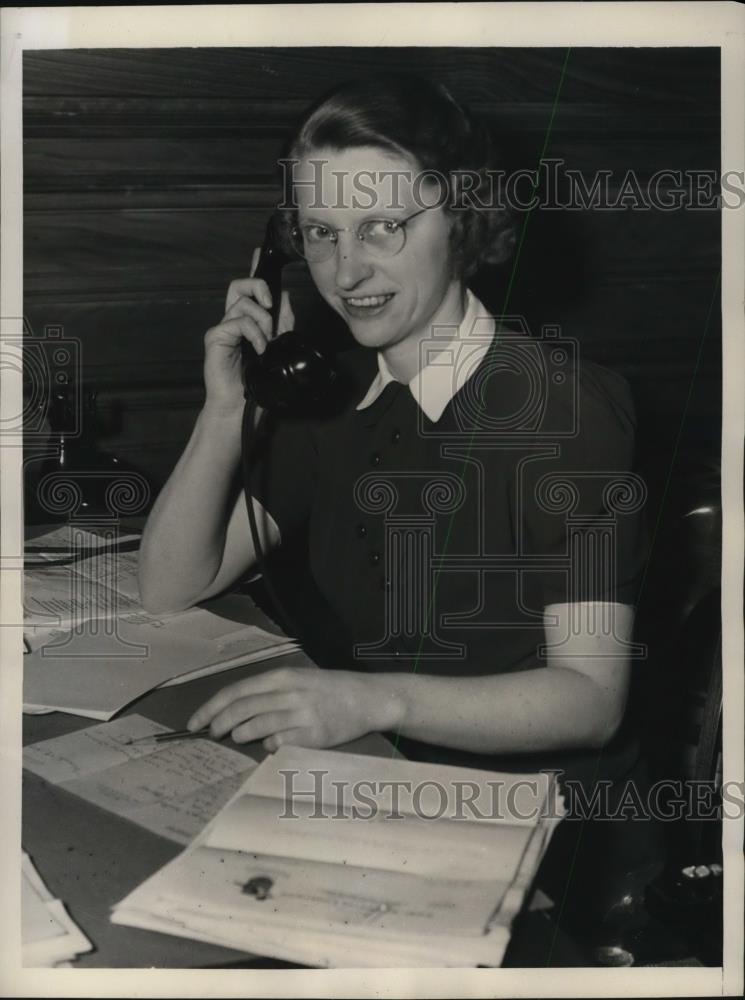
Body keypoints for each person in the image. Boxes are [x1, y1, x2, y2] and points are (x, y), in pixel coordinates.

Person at [139, 75, 658, 928]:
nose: (347, 271)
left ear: (462, 219)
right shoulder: (336, 394)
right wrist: (228, 406)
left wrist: (371, 699)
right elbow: (170, 583)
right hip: (376, 769)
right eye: (321, 233)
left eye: (383, 225)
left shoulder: (564, 408)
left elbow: (591, 700)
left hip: (544, 829)